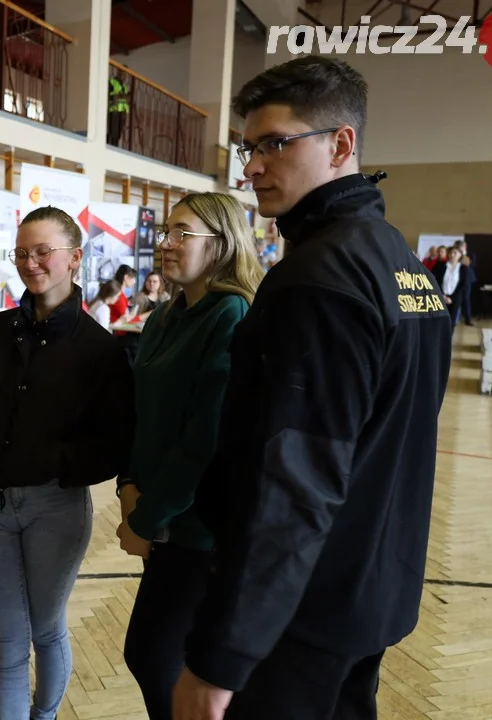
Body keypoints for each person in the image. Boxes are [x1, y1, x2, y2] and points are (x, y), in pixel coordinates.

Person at [171, 57, 452, 720]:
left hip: (300, 614)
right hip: (373, 593)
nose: (252, 167)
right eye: (249, 148)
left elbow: (297, 483)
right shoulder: (401, 264)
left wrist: (223, 658)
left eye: (273, 144)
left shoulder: (318, 280)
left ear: (340, 144)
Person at [0, 206, 134, 720]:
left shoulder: (99, 351)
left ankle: (43, 715)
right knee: (4, 643)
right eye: (22, 252)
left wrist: (53, 464)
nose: (31, 262)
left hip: (54, 508)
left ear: (73, 257)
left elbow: (113, 441)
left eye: (43, 251)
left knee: (45, 629)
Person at [118, 192, 264, 720]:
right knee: (156, 658)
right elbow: (141, 416)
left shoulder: (232, 313)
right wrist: (128, 486)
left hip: (199, 531)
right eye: (166, 233)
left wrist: (147, 515)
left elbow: (205, 438)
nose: (165, 244)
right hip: (159, 516)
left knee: (156, 658)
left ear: (221, 245)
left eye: (182, 234)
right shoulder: (165, 316)